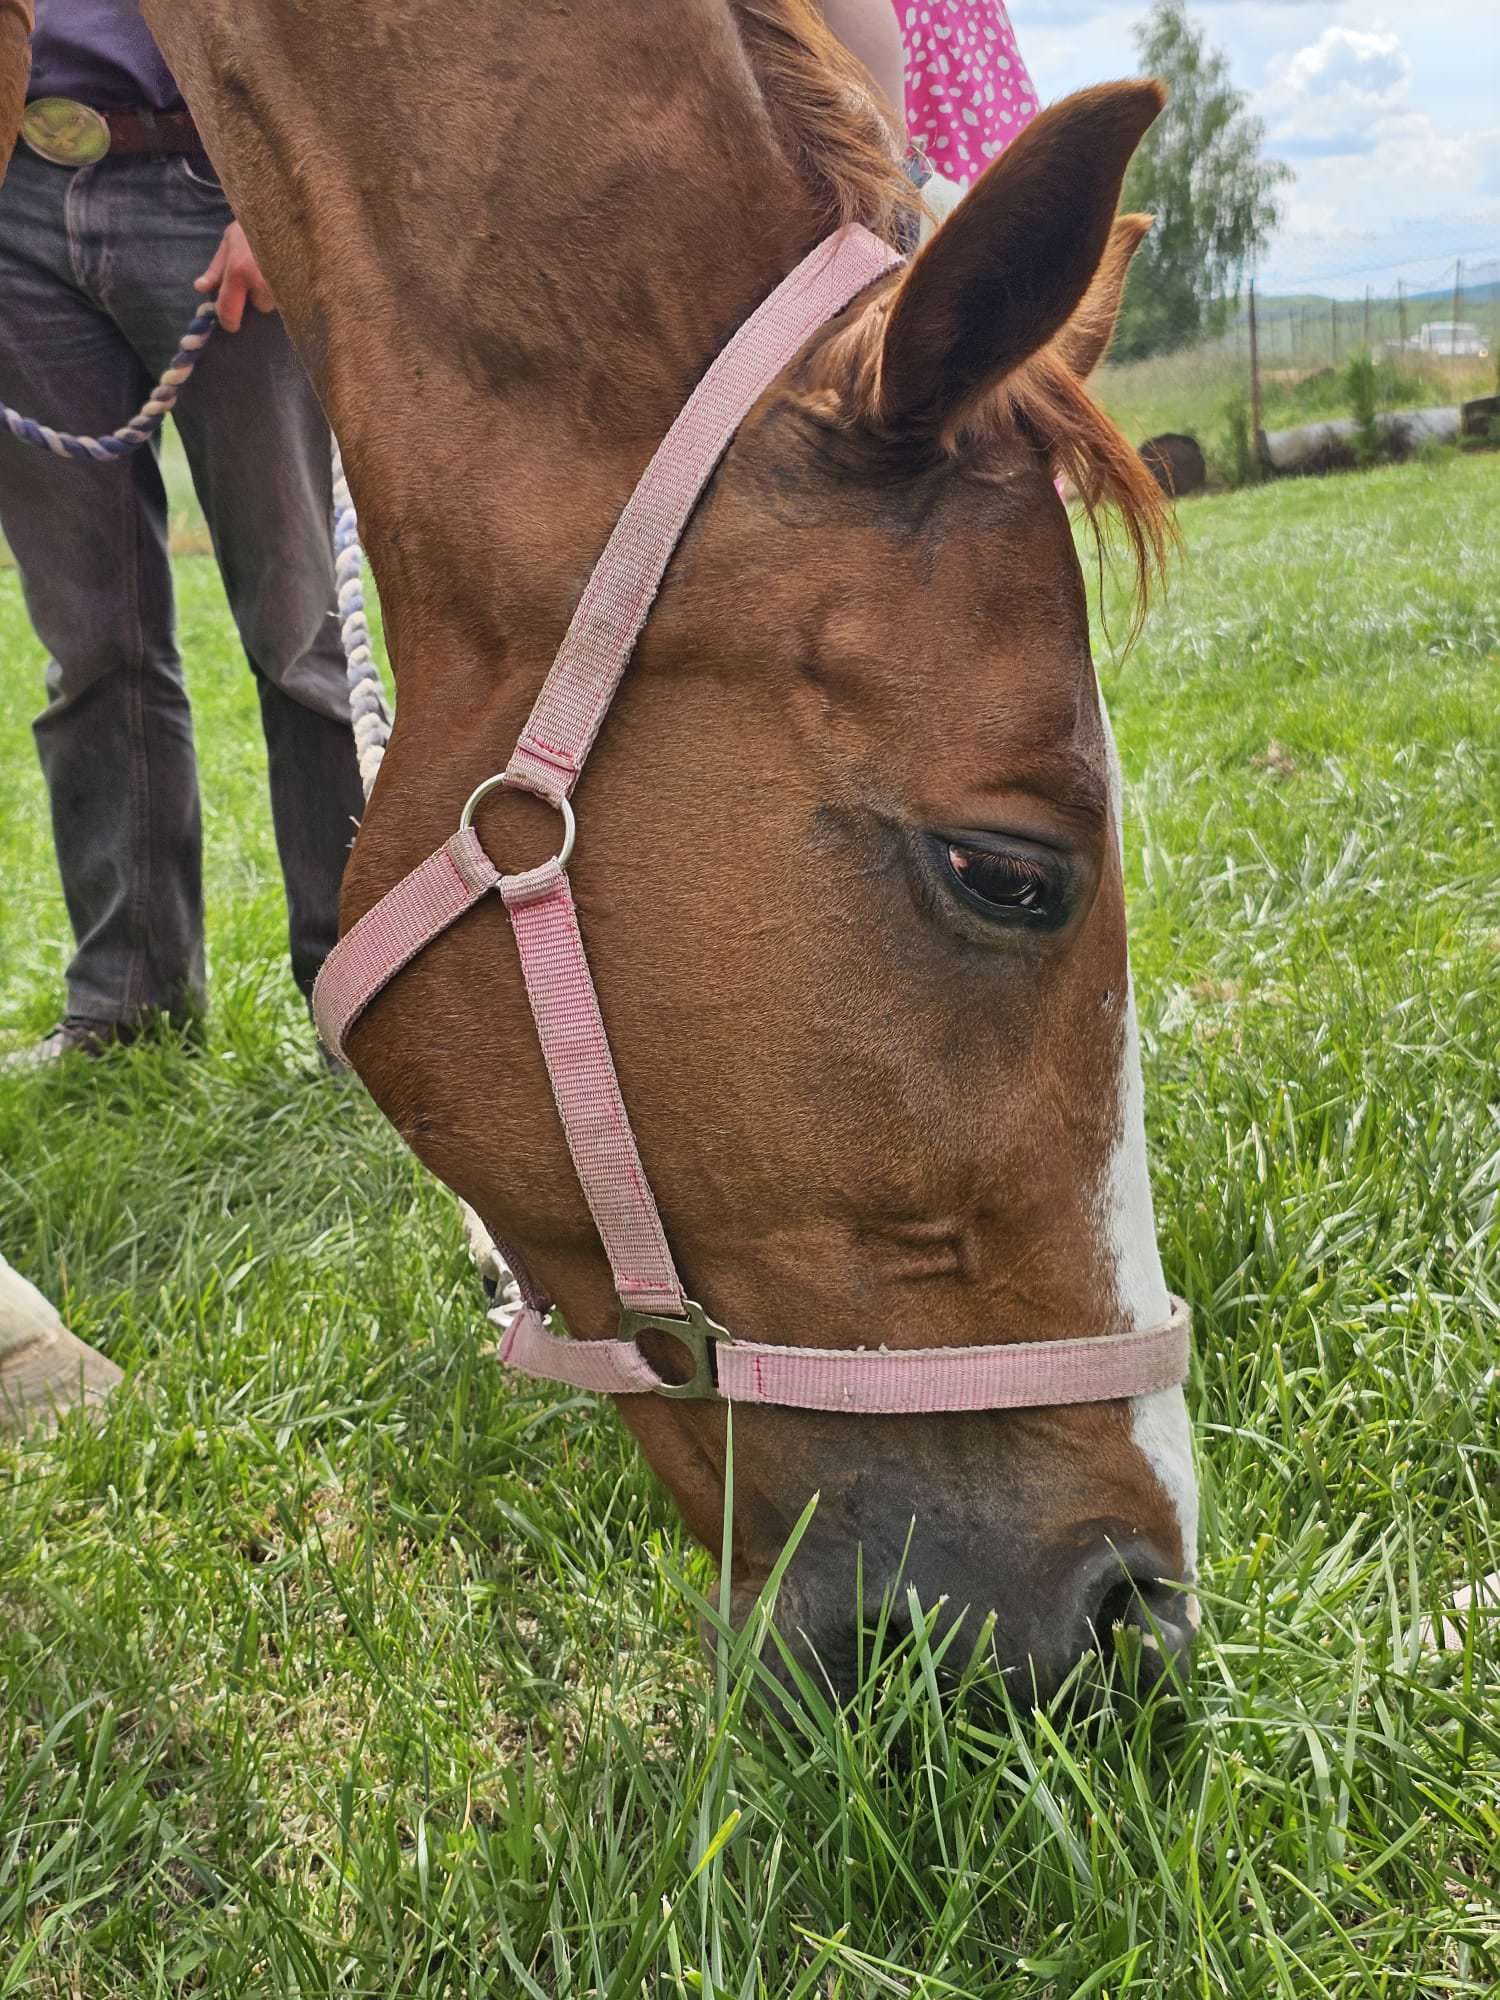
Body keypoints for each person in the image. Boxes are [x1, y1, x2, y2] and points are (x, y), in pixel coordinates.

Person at [0, 0, 365, 1070]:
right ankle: (126, 1001)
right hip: (19, 198)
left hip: (213, 184)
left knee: (298, 634)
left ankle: (358, 994)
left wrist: (276, 188)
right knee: (91, 647)